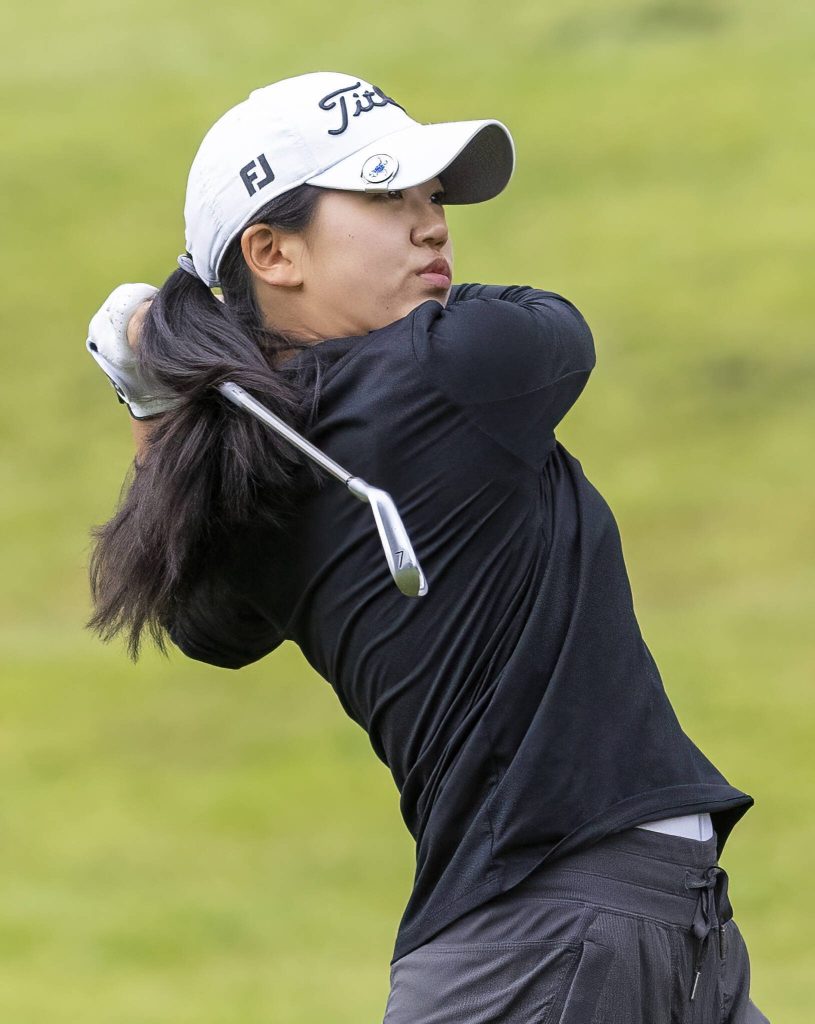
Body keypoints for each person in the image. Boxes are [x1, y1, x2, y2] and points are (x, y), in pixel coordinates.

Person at [85, 71, 769, 1022]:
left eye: (429, 197)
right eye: (381, 194)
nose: (431, 224)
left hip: (628, 925)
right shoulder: (447, 367)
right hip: (547, 936)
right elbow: (553, 331)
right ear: (272, 253)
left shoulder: (256, 466)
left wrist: (153, 395)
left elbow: (206, 623)